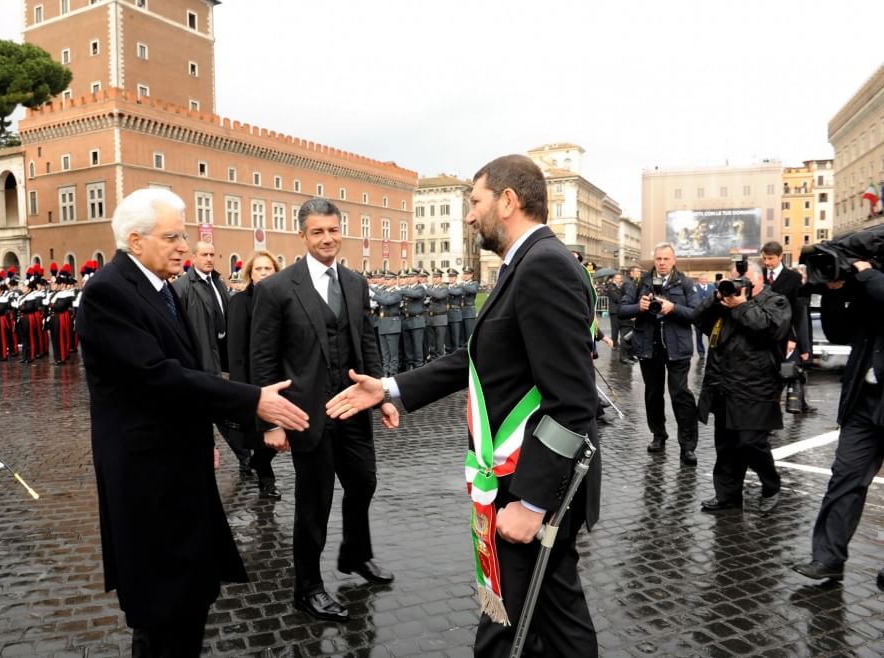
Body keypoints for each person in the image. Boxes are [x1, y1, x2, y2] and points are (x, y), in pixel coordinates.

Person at [326, 155, 601, 657]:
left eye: (475, 202)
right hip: (522, 477)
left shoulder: (542, 267)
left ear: (509, 201)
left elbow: (573, 402)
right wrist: (388, 388)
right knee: (553, 620)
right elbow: (476, 358)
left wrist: (532, 503)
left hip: (531, 483)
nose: (470, 216)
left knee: (509, 626)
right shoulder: (525, 264)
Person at [75, 189, 308, 656]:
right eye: (173, 236)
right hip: (147, 478)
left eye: (185, 234)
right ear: (136, 241)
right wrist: (251, 400)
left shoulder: (159, 287)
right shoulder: (108, 291)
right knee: (160, 608)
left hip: (178, 463)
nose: (184, 245)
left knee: (188, 597)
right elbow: (156, 376)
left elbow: (188, 371)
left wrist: (204, 433)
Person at [250, 198, 397, 623]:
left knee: (364, 482)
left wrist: (382, 397)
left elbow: (367, 344)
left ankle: (355, 553)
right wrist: (272, 422)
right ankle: (307, 588)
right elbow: (262, 361)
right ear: (303, 235)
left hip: (352, 407)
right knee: (313, 504)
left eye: (333, 230)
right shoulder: (277, 288)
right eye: (318, 232)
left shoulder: (354, 282)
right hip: (306, 415)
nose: (327, 239)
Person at [792, 257, 884, 587]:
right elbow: (839, 331)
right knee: (844, 478)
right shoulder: (871, 287)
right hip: (864, 401)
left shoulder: (875, 281)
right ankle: (829, 557)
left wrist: (870, 275)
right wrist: (833, 290)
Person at [693, 260, 790, 514]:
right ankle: (728, 495)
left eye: (740, 280)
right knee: (726, 445)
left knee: (751, 443)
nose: (735, 285)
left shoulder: (775, 301)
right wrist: (717, 297)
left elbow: (770, 330)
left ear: (756, 280)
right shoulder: (725, 302)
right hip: (723, 383)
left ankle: (771, 486)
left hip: (756, 386)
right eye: (733, 280)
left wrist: (743, 305)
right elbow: (698, 318)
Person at [173, 240, 253, 475]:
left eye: (212, 254)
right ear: (194, 257)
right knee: (216, 412)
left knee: (225, 410)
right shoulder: (183, 286)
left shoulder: (218, 283)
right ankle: (242, 456)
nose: (209, 258)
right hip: (201, 359)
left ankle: (244, 455)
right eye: (204, 254)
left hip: (222, 358)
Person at [619, 242, 699, 465]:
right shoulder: (640, 281)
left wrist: (673, 308)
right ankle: (658, 436)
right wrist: (640, 307)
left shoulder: (684, 282)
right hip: (649, 346)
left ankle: (688, 446)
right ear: (654, 260)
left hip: (677, 348)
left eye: (666, 259)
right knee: (653, 395)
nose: (662, 263)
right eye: (658, 259)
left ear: (674, 260)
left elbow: (696, 314)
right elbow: (622, 310)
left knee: (681, 395)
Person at [227, 250, 282, 499]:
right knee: (261, 434)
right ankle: (266, 480)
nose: (263, 273)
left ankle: (258, 463)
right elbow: (236, 350)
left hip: (282, 376)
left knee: (288, 429)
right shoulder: (240, 302)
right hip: (252, 377)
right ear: (250, 273)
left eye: (268, 269)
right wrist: (240, 390)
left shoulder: (283, 300)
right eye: (258, 269)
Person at [760, 241, 813, 413]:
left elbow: (798, 313)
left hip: (784, 335)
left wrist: (793, 338)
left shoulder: (793, 278)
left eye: (770, 258)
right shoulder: (759, 275)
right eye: (764, 258)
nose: (767, 262)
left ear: (780, 256)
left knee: (783, 374)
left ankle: (777, 409)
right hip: (762, 334)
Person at [691, 273, 715, 358]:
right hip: (699, 316)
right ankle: (701, 353)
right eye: (703, 279)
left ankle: (711, 352)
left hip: (710, 317)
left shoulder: (712, 288)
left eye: (706, 279)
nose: (704, 280)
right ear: (699, 280)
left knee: (711, 335)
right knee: (698, 336)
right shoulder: (694, 289)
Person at [604, 273, 624, 349]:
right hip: (614, 311)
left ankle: (616, 342)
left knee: (618, 327)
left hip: (619, 310)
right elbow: (616, 298)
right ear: (614, 279)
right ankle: (614, 343)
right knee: (615, 328)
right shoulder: (611, 287)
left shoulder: (619, 287)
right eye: (617, 278)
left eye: (620, 278)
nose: (619, 280)